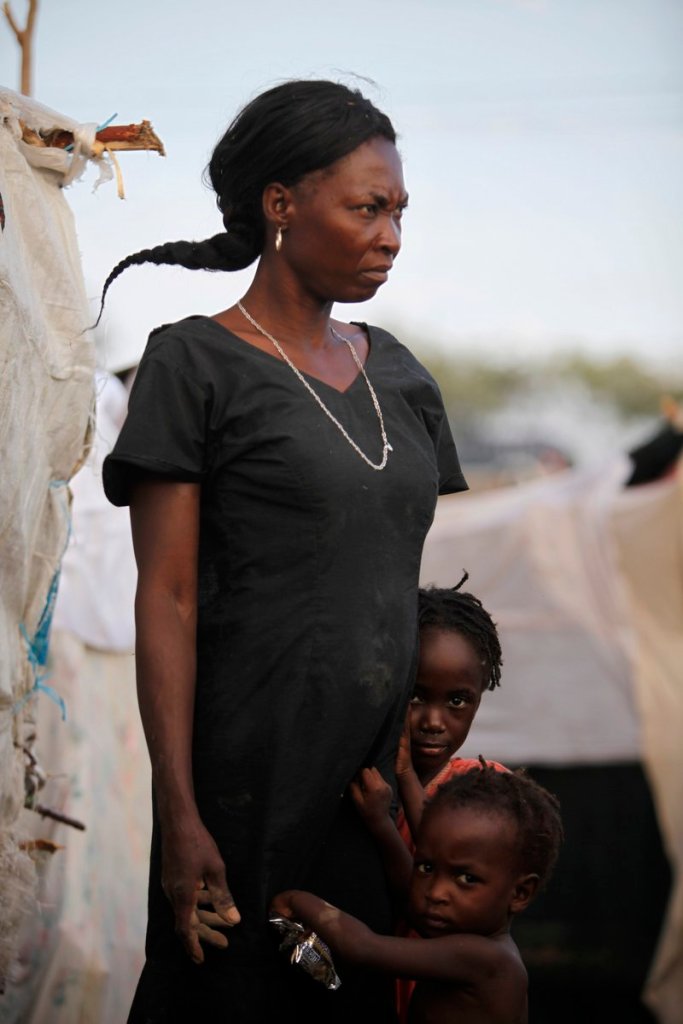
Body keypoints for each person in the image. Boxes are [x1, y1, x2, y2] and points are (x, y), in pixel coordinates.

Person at [101, 79, 467, 1023]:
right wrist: (179, 813)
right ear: (280, 204)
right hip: (243, 778)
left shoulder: (400, 374)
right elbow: (168, 597)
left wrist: (420, 775)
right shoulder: (194, 363)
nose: (391, 233)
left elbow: (386, 584)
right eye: (366, 206)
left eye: (397, 211)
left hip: (369, 789)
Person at [272, 765, 563, 1024]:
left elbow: (363, 948)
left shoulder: (488, 959)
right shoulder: (461, 931)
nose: (435, 893)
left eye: (466, 879)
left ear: (520, 893)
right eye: (427, 867)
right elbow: (407, 891)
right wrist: (383, 821)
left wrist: (298, 900)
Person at [396, 576, 506, 848]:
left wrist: (405, 776)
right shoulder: (355, 783)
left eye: (457, 701)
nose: (433, 723)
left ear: (479, 699)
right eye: (416, 696)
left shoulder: (485, 790)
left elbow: (441, 870)